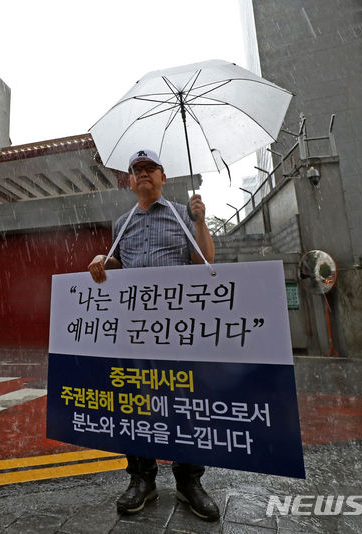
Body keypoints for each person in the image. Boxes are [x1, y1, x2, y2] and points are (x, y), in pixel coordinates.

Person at [87, 149, 218, 521]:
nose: (143, 174)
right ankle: (142, 479)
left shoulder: (182, 213)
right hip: (134, 332)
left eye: (150, 168)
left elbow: (207, 263)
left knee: (184, 402)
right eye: (136, 170)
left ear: (163, 176)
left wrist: (201, 222)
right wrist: (101, 261)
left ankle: (189, 481)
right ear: (130, 181)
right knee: (134, 403)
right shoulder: (122, 224)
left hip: (176, 331)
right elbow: (117, 265)